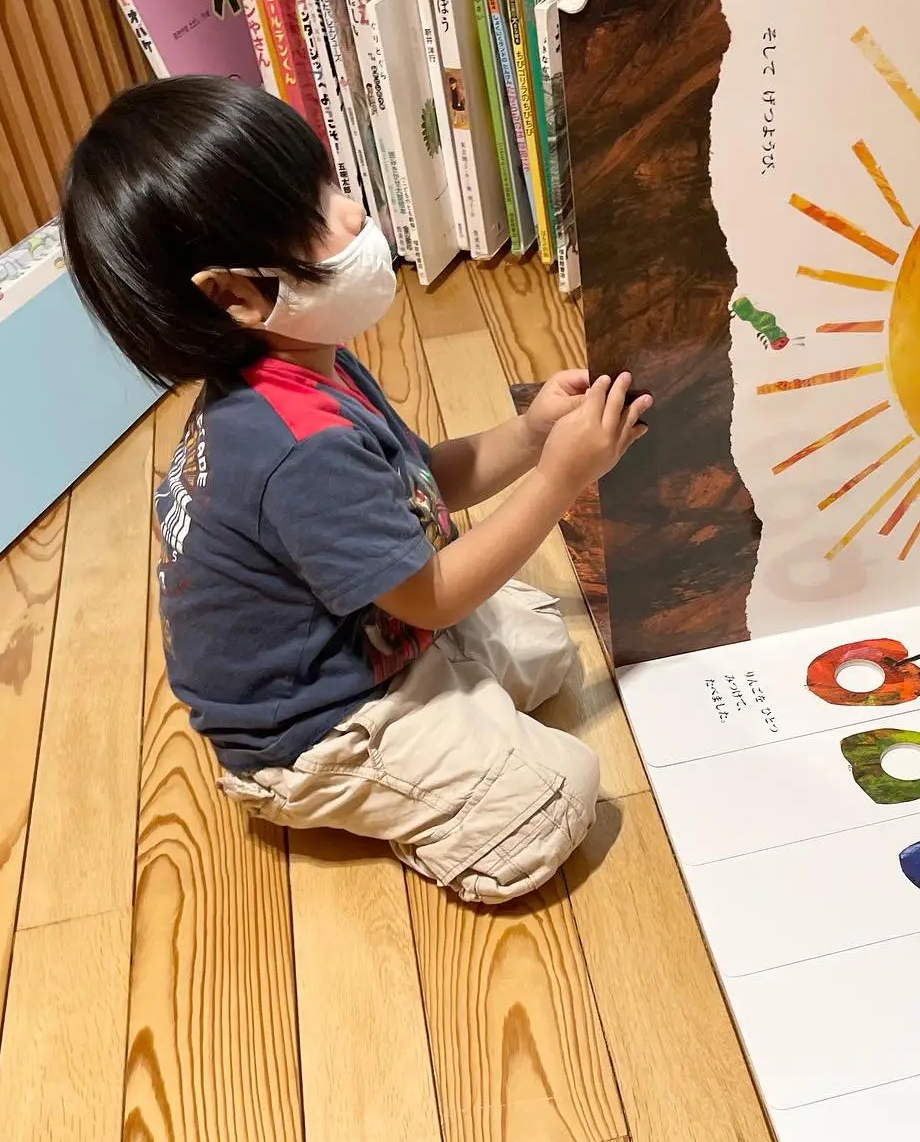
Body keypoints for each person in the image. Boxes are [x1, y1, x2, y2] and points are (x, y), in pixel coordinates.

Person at [61, 76, 650, 903]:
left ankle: (453, 728)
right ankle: (400, 798)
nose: (352, 214)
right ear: (234, 293)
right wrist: (563, 475)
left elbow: (418, 489)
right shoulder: (296, 449)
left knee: (546, 643)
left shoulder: (302, 362)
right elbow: (434, 596)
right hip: (310, 731)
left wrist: (528, 436)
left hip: (367, 638)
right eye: (314, 213)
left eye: (331, 181)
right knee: (560, 796)